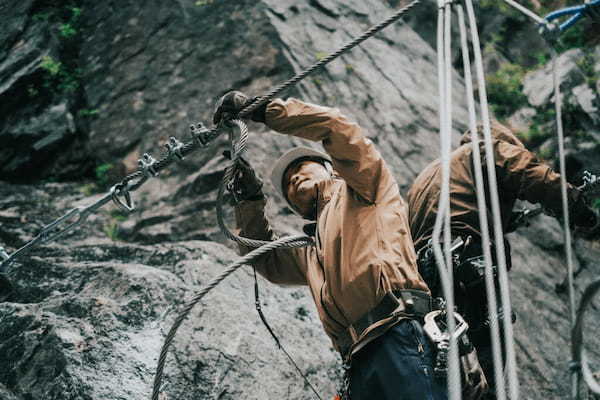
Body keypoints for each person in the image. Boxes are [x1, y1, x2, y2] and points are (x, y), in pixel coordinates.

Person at [213, 92, 471, 400]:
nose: (293, 179)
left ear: (333, 169)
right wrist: (249, 200)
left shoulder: (366, 189)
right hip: (359, 361)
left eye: (302, 167)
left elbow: (336, 128)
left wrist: (264, 109)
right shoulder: (310, 252)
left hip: (399, 333)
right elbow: (264, 259)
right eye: (287, 185)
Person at [406, 120, 600, 398]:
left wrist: (511, 220)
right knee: (487, 360)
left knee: (446, 363)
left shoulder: (435, 172)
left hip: (426, 273)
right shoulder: (485, 150)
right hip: (466, 261)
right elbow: (526, 171)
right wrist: (574, 205)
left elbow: (451, 214)